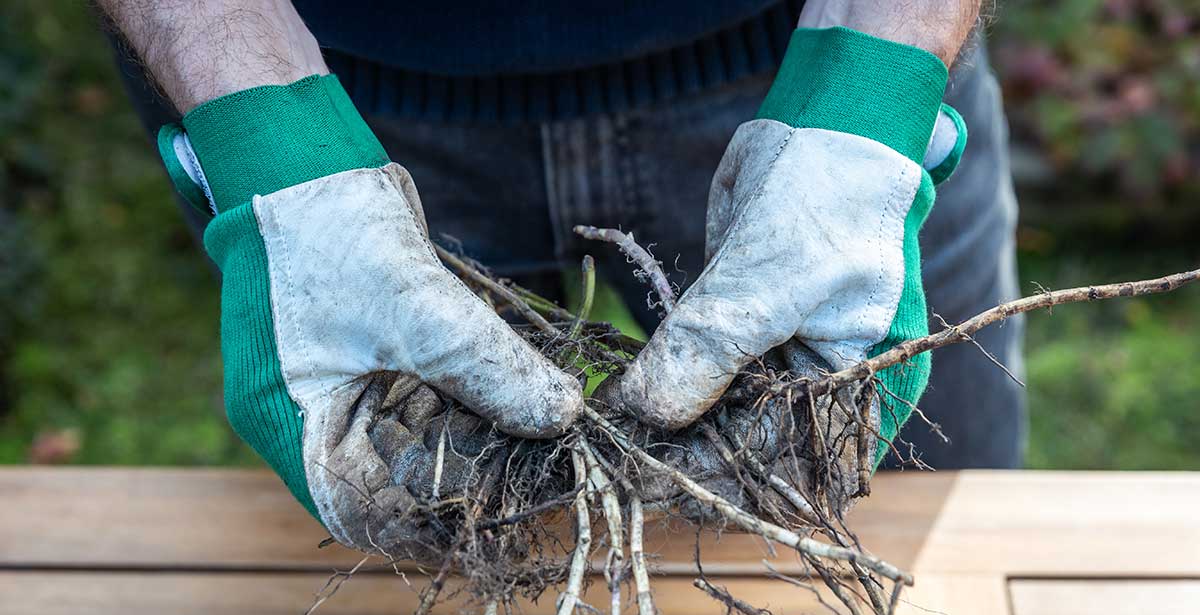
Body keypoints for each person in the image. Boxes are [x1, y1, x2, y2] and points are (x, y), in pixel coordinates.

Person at [98, 0, 1025, 548]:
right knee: (406, 540)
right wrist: (270, 141)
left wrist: (869, 100)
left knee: (921, 521)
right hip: (326, 102)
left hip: (808, 59)